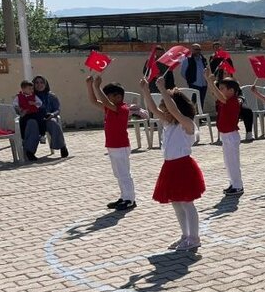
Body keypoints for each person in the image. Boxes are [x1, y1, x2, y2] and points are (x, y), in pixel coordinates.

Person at [140, 77, 206, 251]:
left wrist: (162, 89)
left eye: (166, 107)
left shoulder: (187, 124)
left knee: (187, 203)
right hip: (170, 167)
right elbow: (153, 109)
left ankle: (194, 237)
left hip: (183, 167)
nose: (164, 111)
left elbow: (174, 111)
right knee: (176, 203)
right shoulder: (169, 122)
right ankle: (185, 235)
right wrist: (146, 90)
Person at [85, 76, 136, 211]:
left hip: (121, 146)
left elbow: (105, 102)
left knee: (124, 173)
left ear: (118, 96)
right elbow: (93, 101)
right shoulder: (110, 107)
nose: (105, 99)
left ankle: (130, 199)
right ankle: (124, 196)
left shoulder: (122, 108)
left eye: (109, 96)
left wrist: (97, 87)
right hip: (113, 146)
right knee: (118, 173)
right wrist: (89, 85)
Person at [205, 71, 244, 196]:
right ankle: (233, 183)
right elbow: (216, 94)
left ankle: (238, 186)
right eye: (220, 88)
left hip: (231, 135)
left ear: (231, 91)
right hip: (225, 135)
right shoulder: (224, 99)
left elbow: (219, 96)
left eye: (222, 88)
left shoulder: (233, 101)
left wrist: (211, 82)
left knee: (233, 162)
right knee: (228, 162)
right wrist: (208, 81)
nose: (219, 90)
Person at [13, 80, 45, 161]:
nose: (31, 91)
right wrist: (20, 109)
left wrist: (34, 103)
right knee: (23, 122)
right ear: (23, 89)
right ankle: (23, 137)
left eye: (32, 89)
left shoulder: (34, 96)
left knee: (40, 120)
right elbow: (15, 105)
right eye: (29, 89)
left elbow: (40, 103)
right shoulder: (18, 97)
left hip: (34, 113)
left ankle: (42, 135)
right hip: (25, 114)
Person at [179, 43, 209, 109]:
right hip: (194, 84)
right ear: (192, 50)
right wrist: (190, 80)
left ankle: (200, 117)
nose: (198, 51)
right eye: (196, 49)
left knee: (201, 101)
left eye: (199, 49)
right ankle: (193, 116)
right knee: (194, 101)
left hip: (204, 84)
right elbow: (183, 72)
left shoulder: (203, 59)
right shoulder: (187, 60)